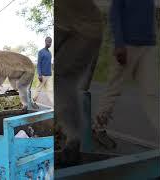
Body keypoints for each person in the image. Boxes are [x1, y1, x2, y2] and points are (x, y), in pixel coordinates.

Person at [93, 0, 160, 148]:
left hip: (148, 46)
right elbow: (115, 14)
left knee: (152, 94)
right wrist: (119, 44)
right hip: (127, 45)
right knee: (114, 89)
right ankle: (98, 129)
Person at [55, 0, 103, 166]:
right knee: (62, 81)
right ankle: (71, 135)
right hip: (77, 27)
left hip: (81, 31)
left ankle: (73, 139)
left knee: (61, 79)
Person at [33, 37, 53, 103]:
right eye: (48, 42)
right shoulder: (41, 52)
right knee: (38, 90)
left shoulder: (50, 53)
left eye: (50, 42)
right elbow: (39, 64)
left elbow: (49, 64)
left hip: (49, 75)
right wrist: (39, 74)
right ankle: (33, 102)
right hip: (42, 75)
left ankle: (54, 106)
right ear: (45, 42)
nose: (49, 44)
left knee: (50, 91)